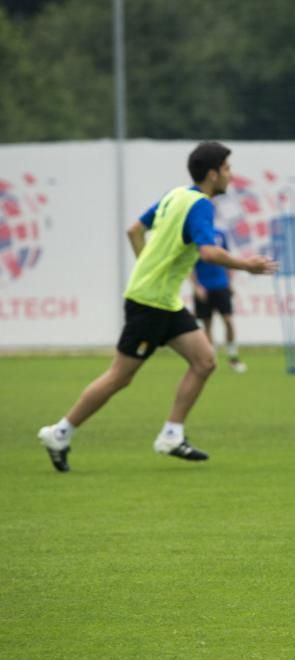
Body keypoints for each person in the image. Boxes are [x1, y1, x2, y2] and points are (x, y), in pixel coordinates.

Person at [36, 142, 277, 472]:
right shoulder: (201, 206)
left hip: (163, 300)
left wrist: (149, 267)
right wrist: (246, 265)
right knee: (120, 377)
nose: (231, 175)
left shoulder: (176, 194)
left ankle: (171, 435)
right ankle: (59, 433)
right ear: (212, 173)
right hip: (149, 304)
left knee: (205, 361)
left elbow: (134, 229)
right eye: (227, 169)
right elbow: (207, 253)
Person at [191, 229, 248, 373]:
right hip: (203, 288)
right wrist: (196, 286)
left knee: (228, 321)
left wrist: (230, 283)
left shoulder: (220, 235)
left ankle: (233, 357)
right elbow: (189, 265)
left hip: (221, 285)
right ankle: (211, 360)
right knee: (207, 326)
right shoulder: (195, 236)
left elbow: (227, 259)